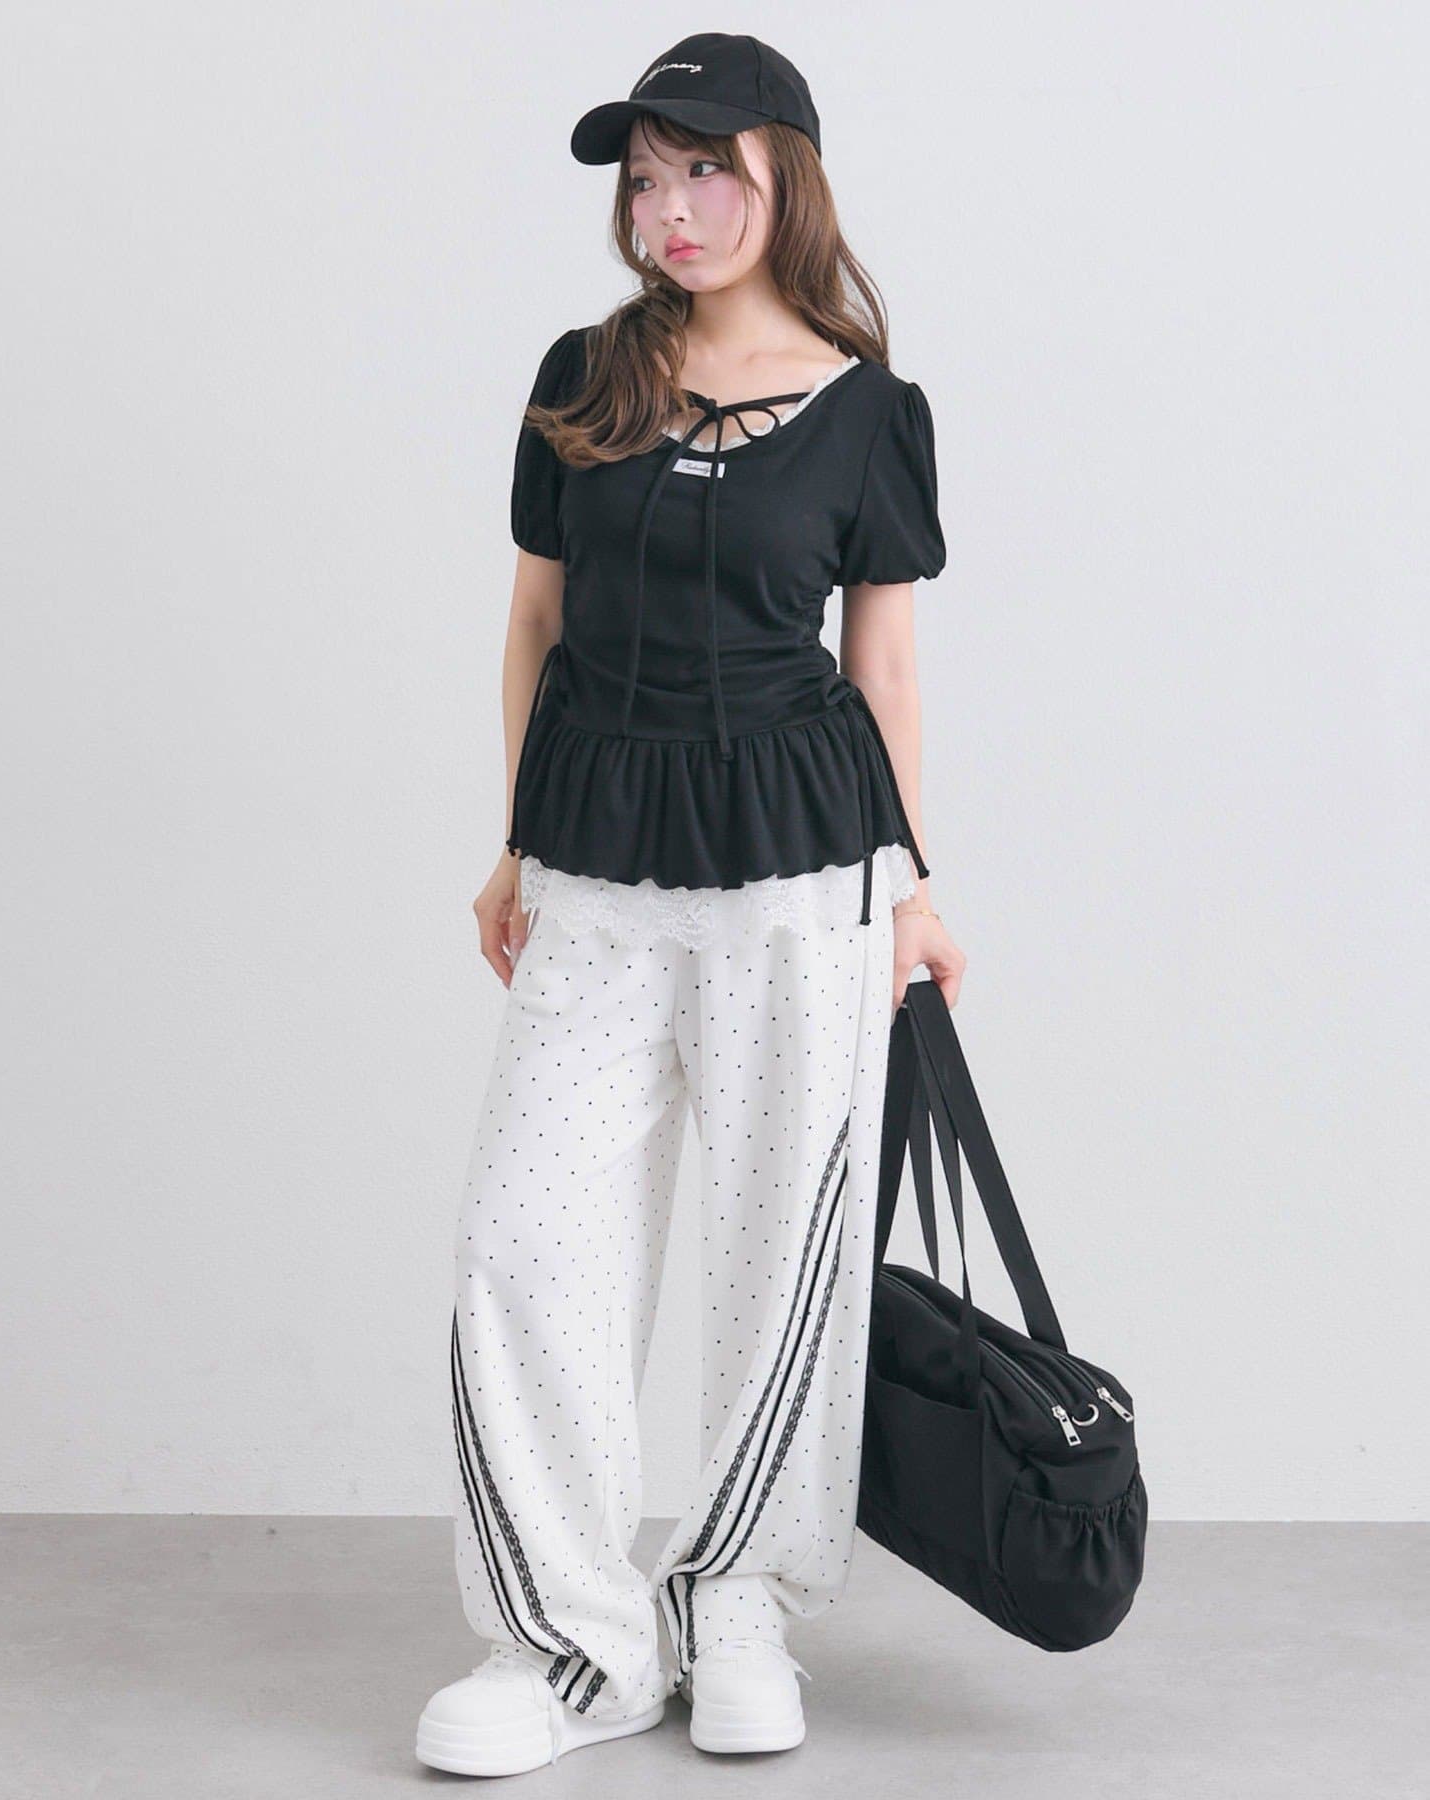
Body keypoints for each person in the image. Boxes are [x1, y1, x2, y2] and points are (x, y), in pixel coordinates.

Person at [415, 31, 967, 1778]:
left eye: (709, 169)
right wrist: (517, 842)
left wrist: (915, 889)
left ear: (787, 175)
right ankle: (570, 1644)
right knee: (527, 1245)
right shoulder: (583, 377)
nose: (672, 207)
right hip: (594, 860)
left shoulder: (870, 413)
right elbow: (535, 623)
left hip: (807, 869)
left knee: (780, 1256)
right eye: (648, 177)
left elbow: (883, 669)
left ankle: (737, 1603)